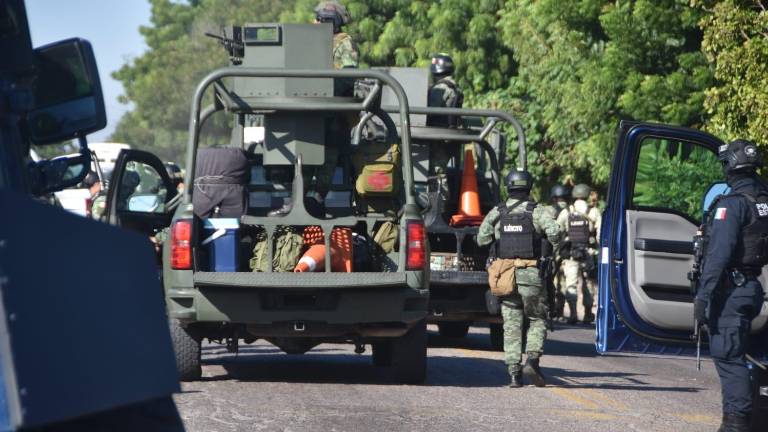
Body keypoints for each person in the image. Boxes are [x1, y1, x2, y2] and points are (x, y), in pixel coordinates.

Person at [694, 139, 768, 431]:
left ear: (732, 167)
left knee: (729, 356)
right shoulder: (762, 202)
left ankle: (736, 425)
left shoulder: (732, 205)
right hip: (751, 287)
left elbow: (718, 256)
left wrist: (703, 297)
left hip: (732, 291)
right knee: (739, 354)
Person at [477, 170, 561, 387]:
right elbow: (555, 233)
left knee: (512, 323)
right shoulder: (537, 211)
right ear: (529, 186)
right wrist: (552, 250)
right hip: (532, 273)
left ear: (508, 186)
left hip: (505, 274)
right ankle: (532, 360)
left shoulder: (498, 212)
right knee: (536, 318)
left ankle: (514, 374)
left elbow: (481, 238)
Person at [556, 183, 600, 324]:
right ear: (587, 195)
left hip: (570, 254)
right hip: (588, 253)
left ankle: (573, 314)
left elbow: (557, 231)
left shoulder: (567, 212)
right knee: (588, 284)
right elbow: (599, 235)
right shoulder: (594, 211)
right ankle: (587, 314)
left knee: (571, 284)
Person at [547, 184, 570, 319]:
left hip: (553, 250)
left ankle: (554, 309)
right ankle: (561, 310)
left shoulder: (547, 210)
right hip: (567, 250)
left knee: (552, 281)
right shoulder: (571, 210)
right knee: (565, 282)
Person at [314, 1, 358, 70]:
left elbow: (348, 75)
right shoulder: (313, 41)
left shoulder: (345, 43)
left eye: (321, 20)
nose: (316, 22)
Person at [427, 53, 464, 128]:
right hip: (447, 127)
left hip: (437, 128)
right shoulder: (454, 85)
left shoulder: (440, 88)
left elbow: (430, 111)